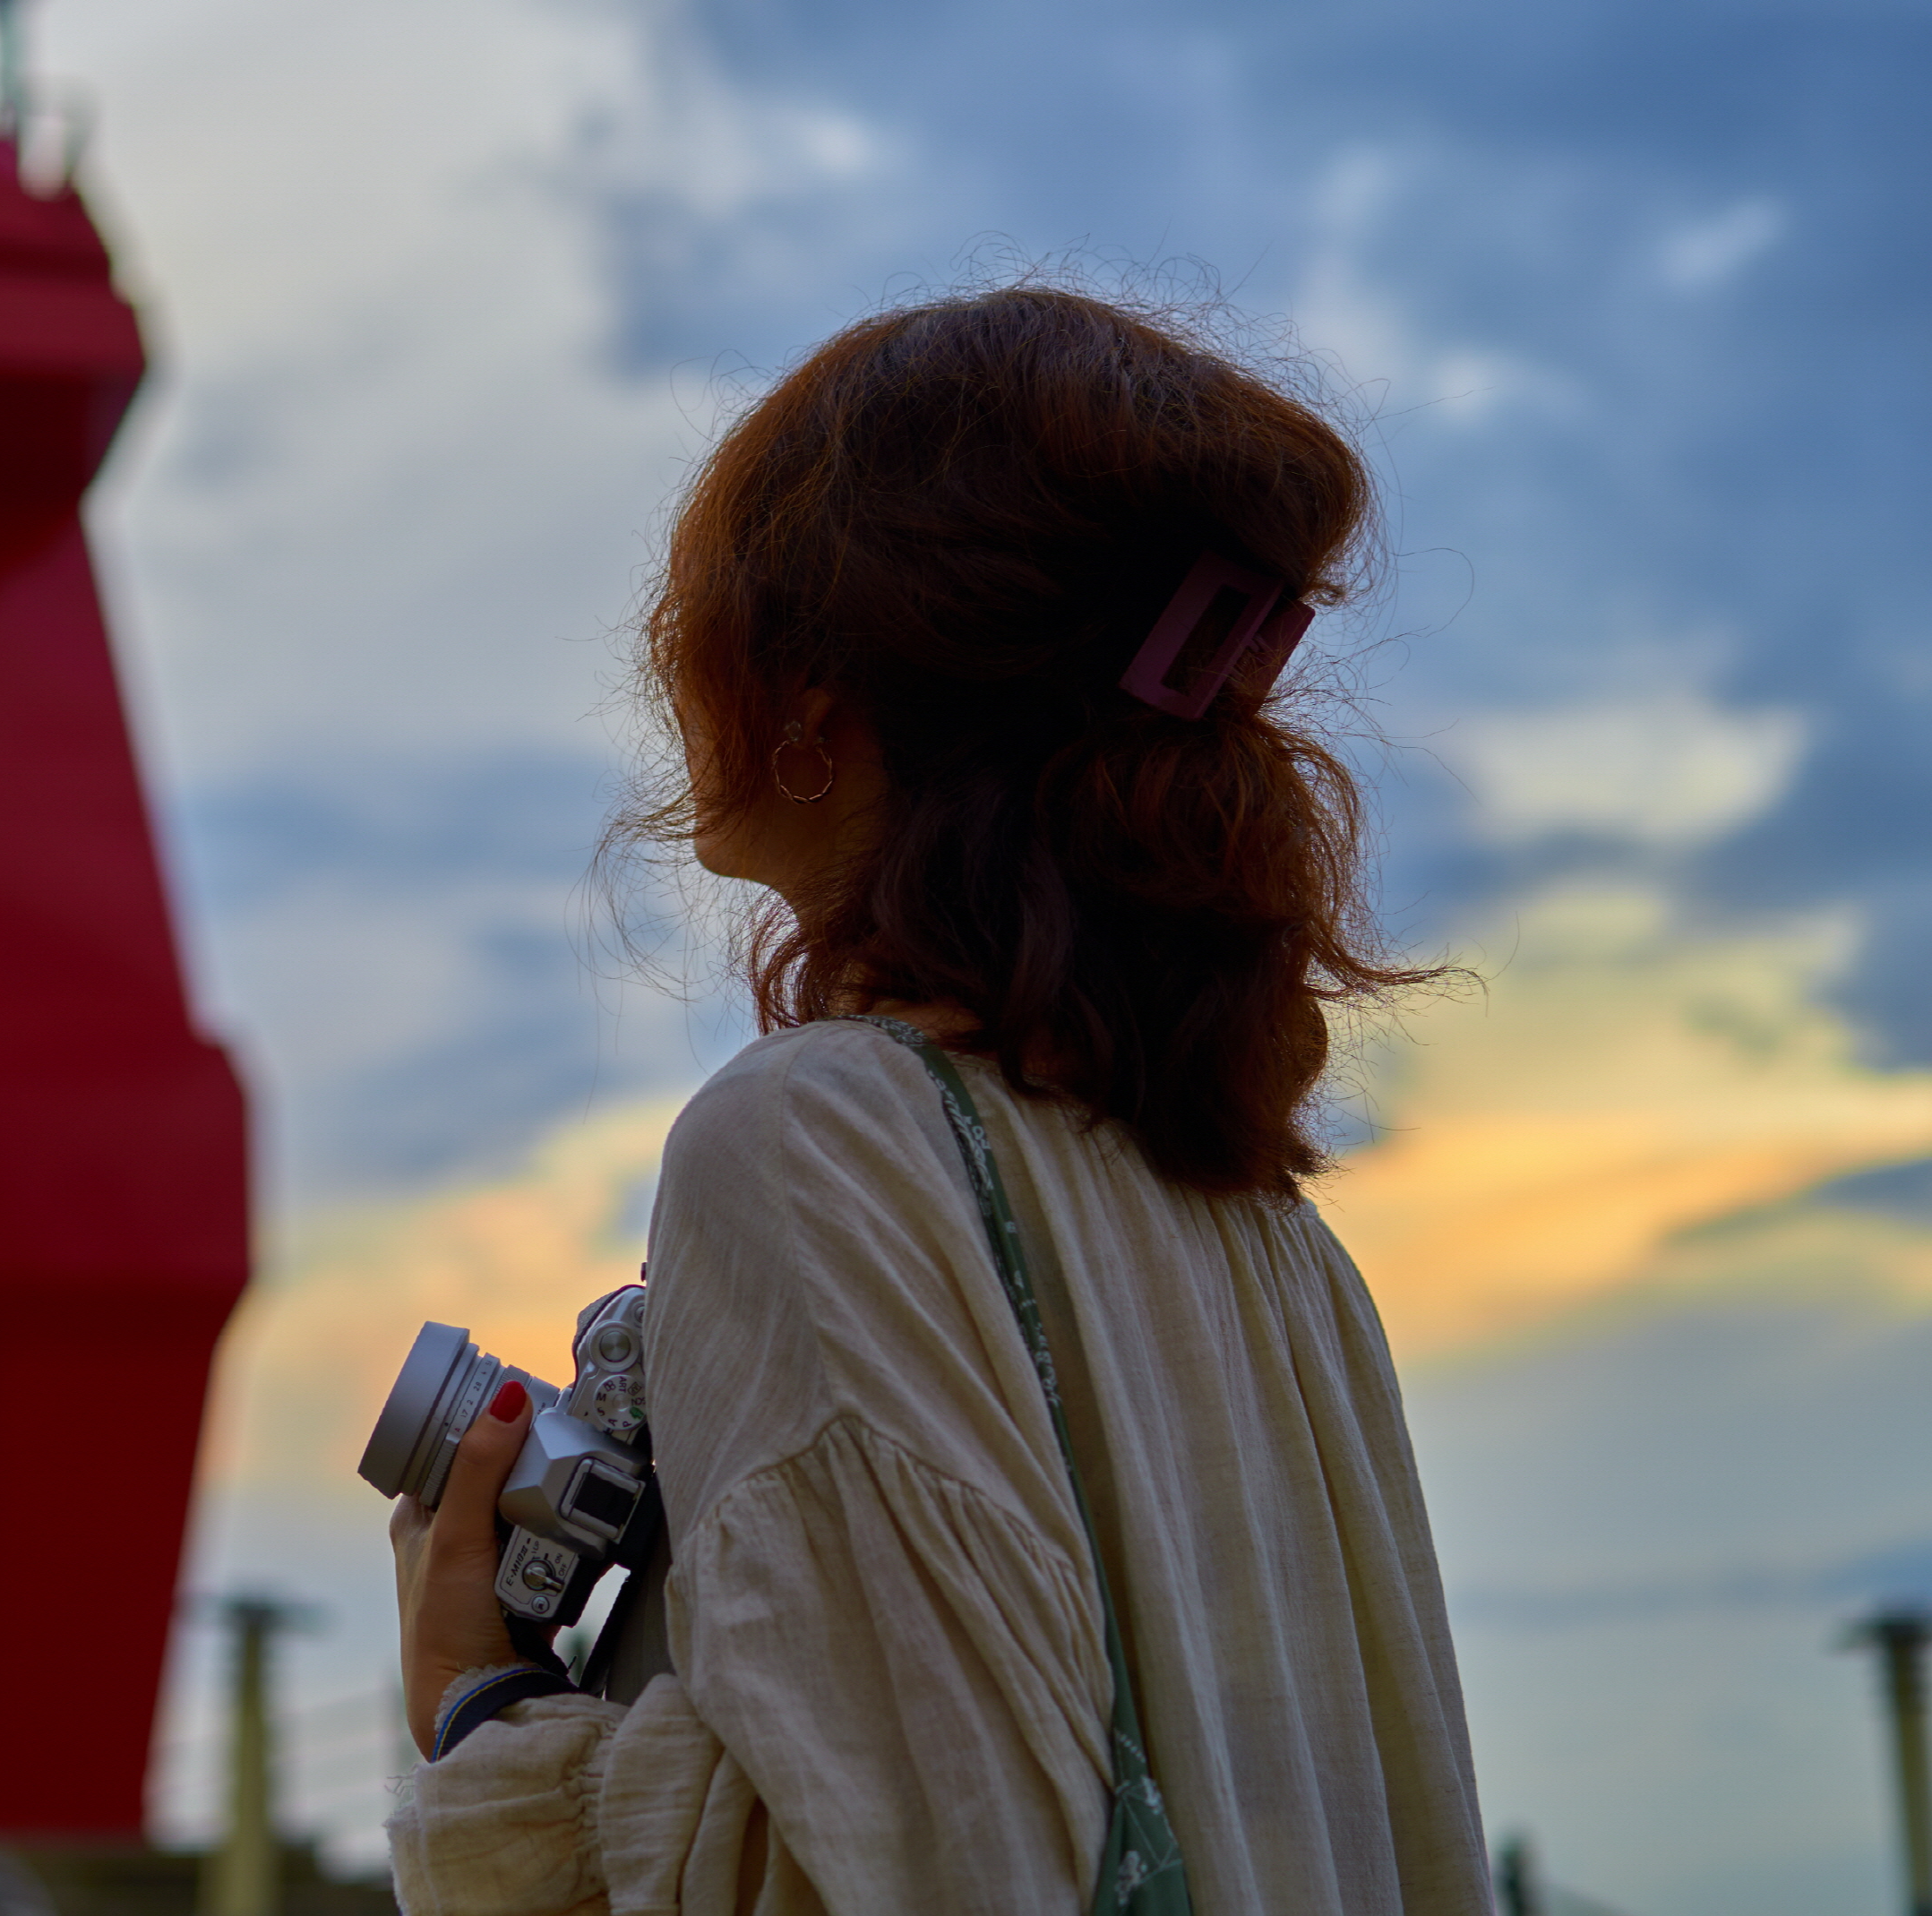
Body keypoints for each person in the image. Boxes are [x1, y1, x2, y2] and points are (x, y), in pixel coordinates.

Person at [383, 288, 1492, 1913]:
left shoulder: (812, 1142)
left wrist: (484, 1710)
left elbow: (938, 1864)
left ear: (807, 692)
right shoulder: (1283, 1252)